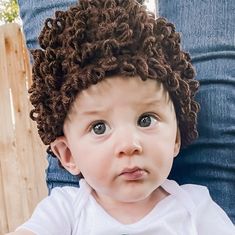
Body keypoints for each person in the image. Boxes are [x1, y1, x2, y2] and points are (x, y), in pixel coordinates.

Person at [8, 0, 235, 234]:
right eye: (99, 127)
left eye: (146, 120)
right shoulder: (66, 209)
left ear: (176, 138)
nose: (129, 145)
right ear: (68, 154)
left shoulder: (196, 207)